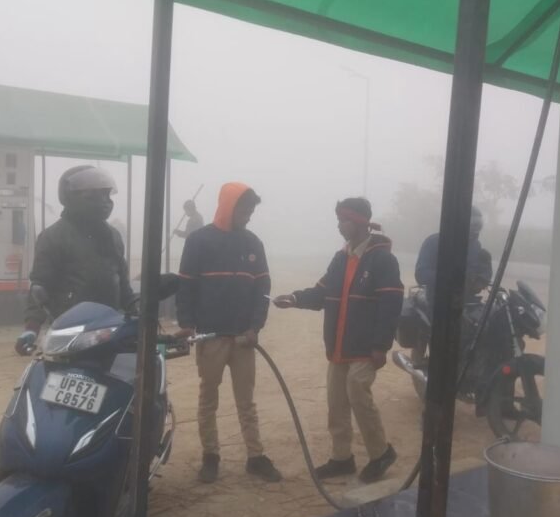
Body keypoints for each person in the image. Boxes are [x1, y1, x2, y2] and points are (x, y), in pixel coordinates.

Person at [274, 197, 403, 483]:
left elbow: (391, 304)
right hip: (338, 346)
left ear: (359, 222)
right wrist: (294, 298)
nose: (339, 226)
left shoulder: (383, 260)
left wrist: (381, 346)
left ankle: (381, 453)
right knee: (337, 403)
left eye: (343, 220)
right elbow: (322, 292)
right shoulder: (340, 258)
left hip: (364, 347)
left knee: (358, 395)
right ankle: (342, 458)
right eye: (338, 220)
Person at [175, 183, 281, 484]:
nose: (248, 216)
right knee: (208, 397)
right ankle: (211, 456)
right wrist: (187, 322)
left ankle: (255, 457)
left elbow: (263, 288)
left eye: (250, 211)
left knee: (246, 401)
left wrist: (255, 327)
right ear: (228, 207)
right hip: (211, 337)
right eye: (244, 210)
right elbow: (186, 285)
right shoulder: (199, 240)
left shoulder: (253, 243)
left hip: (243, 338)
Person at [15, 165, 133, 355]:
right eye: (94, 196)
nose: (104, 202)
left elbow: (122, 283)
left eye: (106, 195)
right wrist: (31, 328)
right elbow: (40, 286)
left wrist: (138, 311)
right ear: (71, 198)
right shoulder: (53, 237)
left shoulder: (112, 236)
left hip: (108, 329)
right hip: (69, 331)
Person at [414, 205, 492, 307]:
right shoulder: (434, 242)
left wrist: (483, 277)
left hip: (467, 300)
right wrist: (450, 277)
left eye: (478, 224)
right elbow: (421, 274)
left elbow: (480, 271)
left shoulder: (476, 245)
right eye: (472, 224)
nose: (475, 229)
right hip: (438, 300)